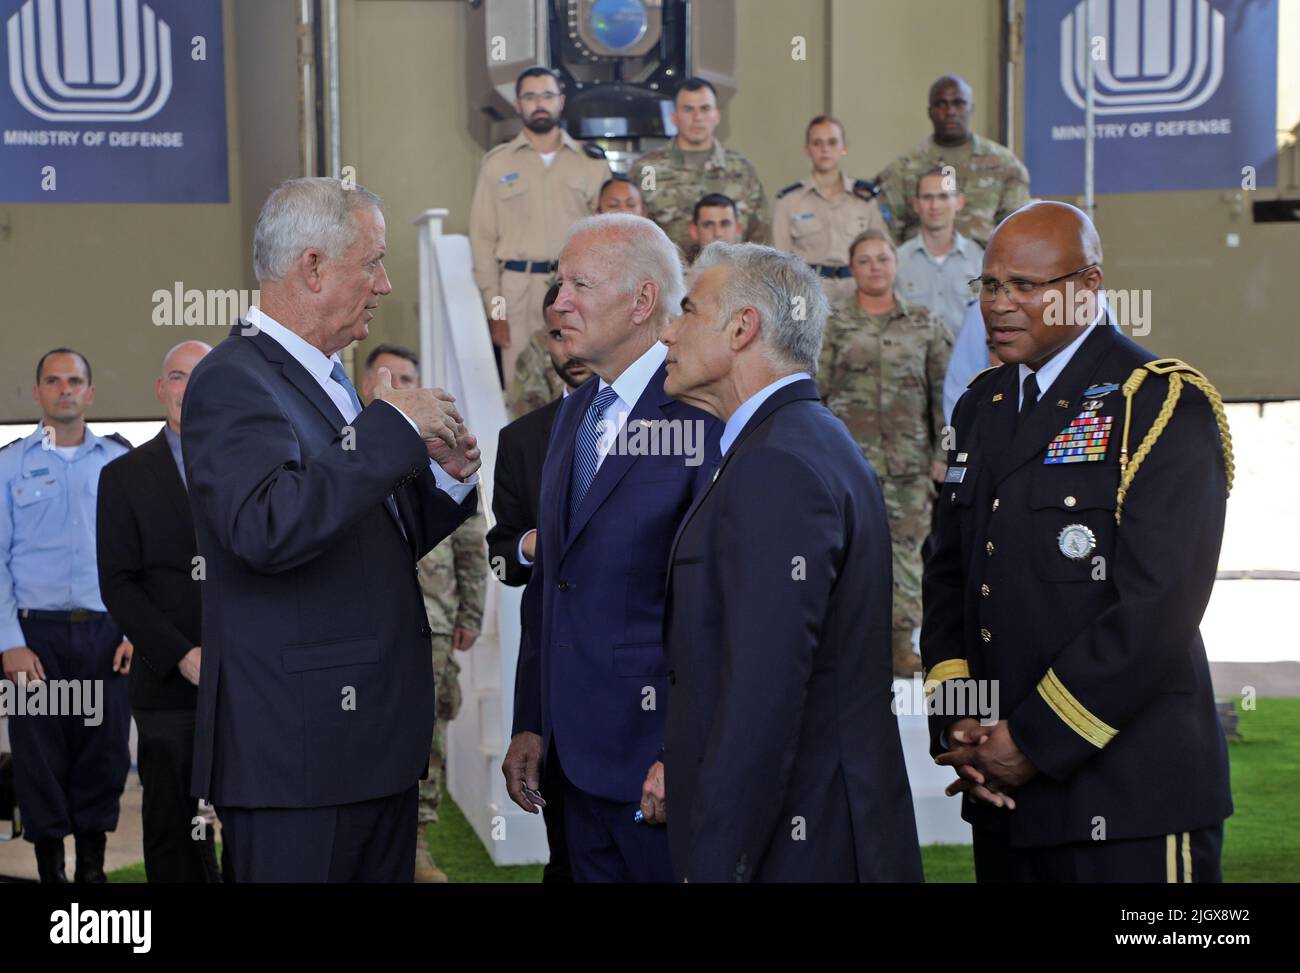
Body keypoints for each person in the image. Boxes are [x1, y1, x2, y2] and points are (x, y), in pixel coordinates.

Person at [922, 201, 1234, 882]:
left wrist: (1032, 741)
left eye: (1024, 287)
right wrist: (962, 724)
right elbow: (948, 578)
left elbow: (1158, 609)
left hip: (1129, 798)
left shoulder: (1158, 403)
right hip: (1003, 797)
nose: (999, 305)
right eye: (990, 286)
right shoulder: (982, 404)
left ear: (1088, 287)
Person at [182, 177, 481, 883]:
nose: (383, 284)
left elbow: (375, 531)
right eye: (372, 262)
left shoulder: (330, 377)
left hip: (365, 747)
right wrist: (390, 427)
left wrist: (449, 477)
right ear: (312, 267)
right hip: (300, 757)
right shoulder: (232, 379)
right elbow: (266, 525)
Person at [647, 241, 923, 882]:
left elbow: (761, 698)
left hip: (799, 847)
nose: (668, 332)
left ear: (743, 328)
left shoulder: (778, 462)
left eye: (687, 310)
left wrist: (718, 863)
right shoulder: (796, 440)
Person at [501, 213, 720, 883]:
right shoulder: (573, 413)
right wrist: (532, 721)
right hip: (571, 768)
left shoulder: (701, 413)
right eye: (557, 284)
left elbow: (716, 607)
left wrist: (681, 750)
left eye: (578, 285)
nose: (557, 303)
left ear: (643, 300)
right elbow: (551, 585)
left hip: (655, 769)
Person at [0, 349, 133, 883]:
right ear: (38, 393)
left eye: (74, 380)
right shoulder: (9, 464)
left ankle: (92, 875)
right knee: (39, 759)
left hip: (107, 635)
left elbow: (136, 557)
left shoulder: (119, 463)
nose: (64, 390)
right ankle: (51, 875)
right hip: (36, 636)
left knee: (104, 755)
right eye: (53, 381)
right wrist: (9, 641)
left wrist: (133, 632)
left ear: (91, 392)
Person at [359, 345, 488, 885]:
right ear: (369, 383)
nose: (406, 386)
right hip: (362, 627)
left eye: (413, 378)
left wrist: (471, 613)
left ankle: (418, 843)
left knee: (426, 735)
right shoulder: (346, 441)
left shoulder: (437, 445)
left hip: (432, 620)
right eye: (395, 378)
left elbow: (470, 538)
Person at [96, 340, 222, 884]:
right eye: (177, 377)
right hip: (168, 689)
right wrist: (181, 655)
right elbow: (118, 586)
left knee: (253, 824)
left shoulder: (252, 464)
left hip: (252, 680)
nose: (188, 389)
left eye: (200, 378)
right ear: (159, 389)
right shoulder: (123, 476)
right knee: (174, 830)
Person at [819, 230, 952, 677]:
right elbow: (815, 395)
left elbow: (944, 394)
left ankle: (900, 643)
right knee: (843, 551)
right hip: (846, 463)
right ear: (852, 268)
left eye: (883, 258)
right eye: (865, 260)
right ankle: (847, 641)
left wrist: (942, 452)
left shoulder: (925, 323)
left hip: (908, 465)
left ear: (896, 265)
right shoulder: (832, 324)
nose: (875, 267)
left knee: (906, 555)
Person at [469, 66, 611, 385]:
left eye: (547, 95)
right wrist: (496, 310)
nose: (539, 103)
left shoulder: (592, 162)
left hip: (578, 289)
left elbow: (607, 236)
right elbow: (483, 241)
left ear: (561, 100)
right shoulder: (498, 163)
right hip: (518, 290)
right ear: (518, 105)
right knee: (524, 388)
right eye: (530, 97)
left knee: (582, 381)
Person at [877, 75, 1030, 247]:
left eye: (958, 103)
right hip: (920, 265)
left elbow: (1017, 228)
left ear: (971, 109)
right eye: (941, 104)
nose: (950, 112)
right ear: (930, 112)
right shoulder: (904, 167)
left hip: (984, 265)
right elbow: (889, 230)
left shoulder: (1004, 164)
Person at [636, 78, 767, 255]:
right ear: (674, 117)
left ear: (717, 115)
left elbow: (759, 234)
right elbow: (635, 230)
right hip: (669, 278)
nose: (697, 118)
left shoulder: (741, 169)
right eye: (688, 109)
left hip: (729, 276)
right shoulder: (648, 169)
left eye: (705, 109)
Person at [772, 115, 887, 305]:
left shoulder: (865, 199)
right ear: (807, 149)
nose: (825, 149)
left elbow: (882, 249)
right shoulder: (788, 201)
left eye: (832, 142)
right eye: (817, 143)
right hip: (808, 291)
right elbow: (780, 262)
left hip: (858, 289)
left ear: (844, 148)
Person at [896, 167, 985, 337]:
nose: (935, 206)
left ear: (959, 202)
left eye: (943, 196)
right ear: (916, 204)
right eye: (927, 197)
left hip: (968, 360)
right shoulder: (898, 261)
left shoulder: (979, 260)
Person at [507, 284, 591, 418]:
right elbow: (528, 422)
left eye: (579, 333)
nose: (571, 352)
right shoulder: (535, 351)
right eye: (559, 336)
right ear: (547, 340)